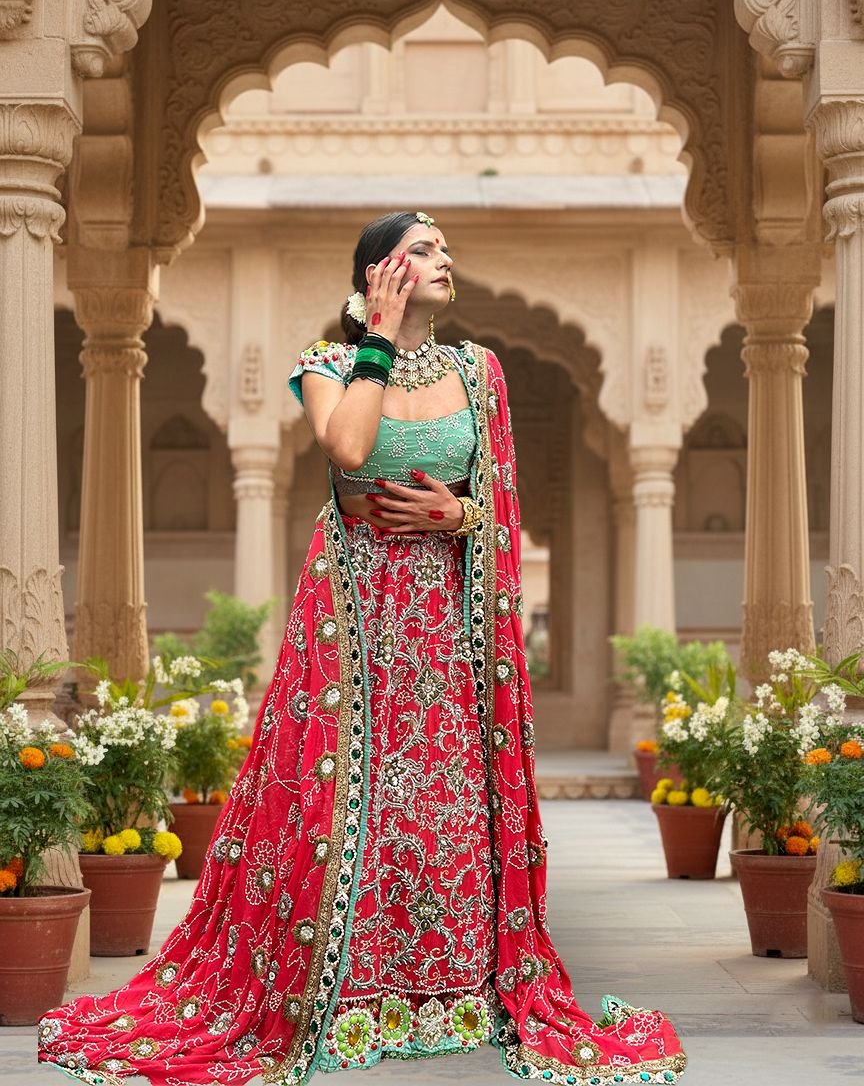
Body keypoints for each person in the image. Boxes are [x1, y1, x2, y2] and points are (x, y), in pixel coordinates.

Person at [38, 212, 686, 1086]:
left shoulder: (479, 372)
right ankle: (345, 995)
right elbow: (347, 446)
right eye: (424, 248)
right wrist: (374, 342)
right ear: (380, 273)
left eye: (445, 247)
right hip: (356, 623)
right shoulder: (329, 367)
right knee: (355, 795)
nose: (445, 258)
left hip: (449, 624)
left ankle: (444, 988)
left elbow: (499, 504)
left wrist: (461, 516)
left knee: (443, 801)